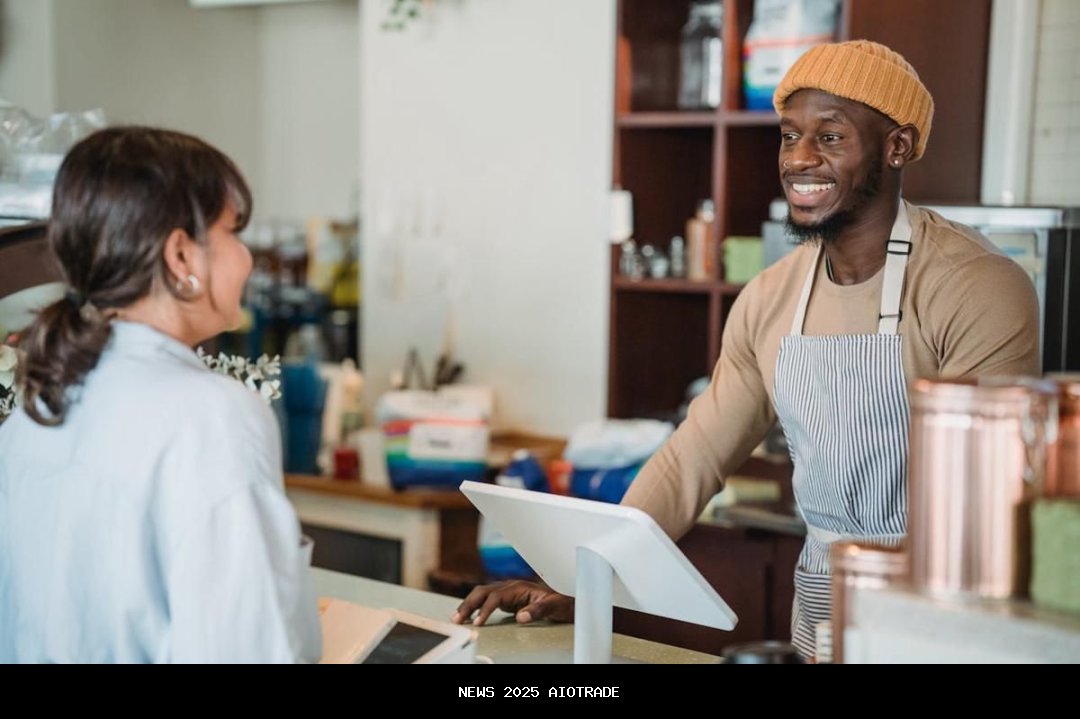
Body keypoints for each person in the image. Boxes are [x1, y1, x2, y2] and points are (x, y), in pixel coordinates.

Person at [451, 40, 1041, 660]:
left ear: (896, 147)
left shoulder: (975, 287)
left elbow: (987, 504)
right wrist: (578, 581)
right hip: (822, 606)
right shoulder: (770, 297)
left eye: (831, 137)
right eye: (790, 136)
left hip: (946, 617)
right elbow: (692, 460)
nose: (800, 160)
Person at [0, 127, 321, 663]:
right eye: (232, 232)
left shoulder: (36, 409)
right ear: (181, 257)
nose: (246, 258)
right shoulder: (210, 414)